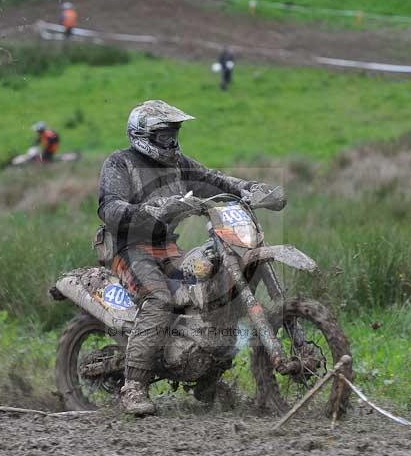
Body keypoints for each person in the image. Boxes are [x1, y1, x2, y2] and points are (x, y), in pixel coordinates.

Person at [97, 100, 284, 416]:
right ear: (142, 134)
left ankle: (204, 374)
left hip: (169, 249)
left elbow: (217, 181)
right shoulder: (119, 163)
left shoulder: (179, 164)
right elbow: (109, 208)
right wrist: (146, 211)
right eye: (163, 135)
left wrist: (253, 189)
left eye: (174, 133)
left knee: (215, 292)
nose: (170, 141)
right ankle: (133, 387)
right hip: (130, 250)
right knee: (159, 299)